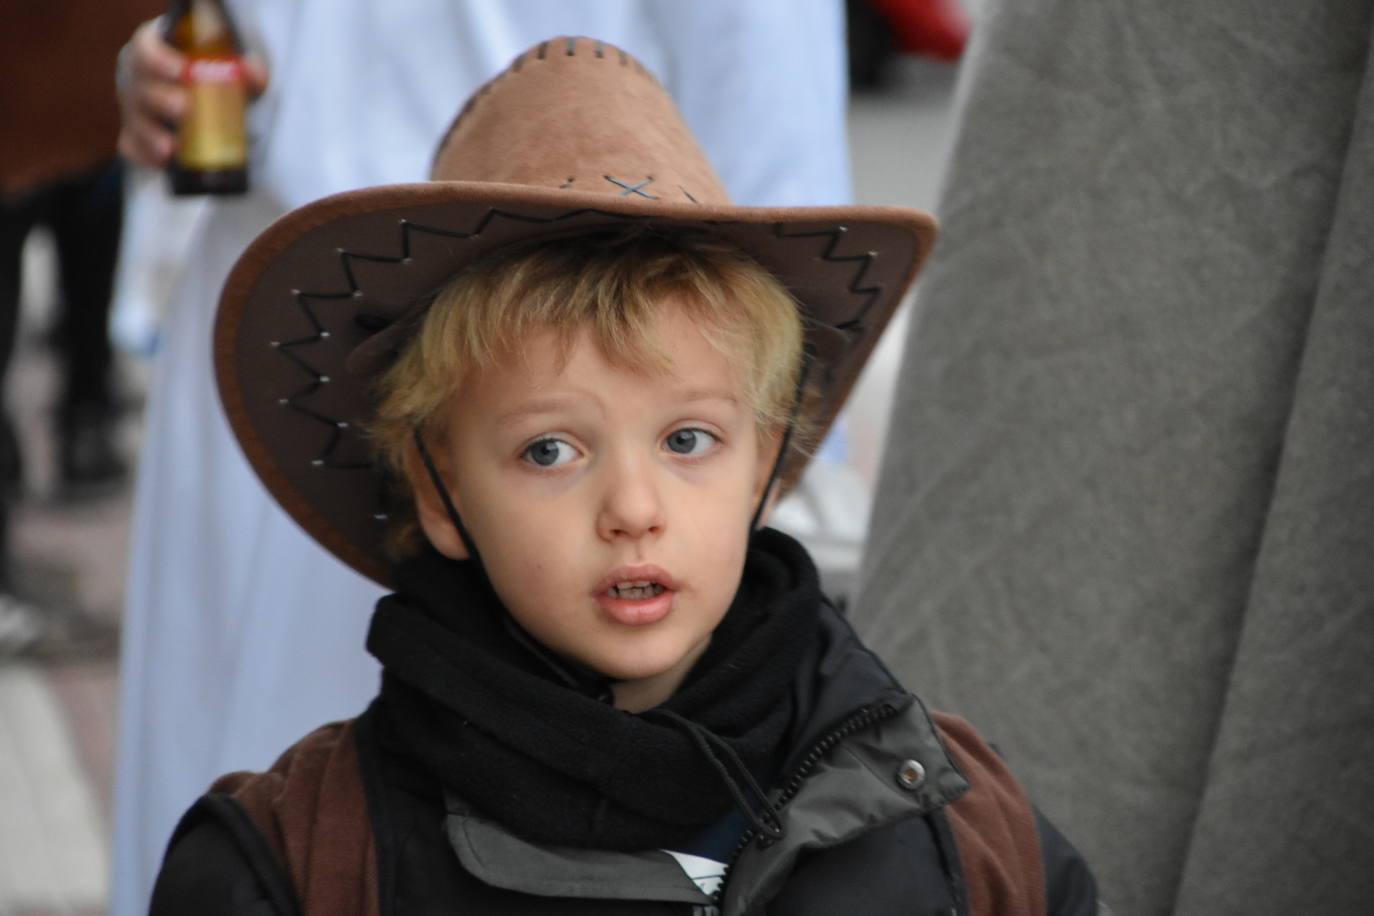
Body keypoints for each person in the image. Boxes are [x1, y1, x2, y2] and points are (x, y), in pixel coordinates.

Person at [147, 36, 1096, 914]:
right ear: (439, 492)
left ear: (766, 462)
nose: (634, 511)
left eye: (688, 441)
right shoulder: (293, 866)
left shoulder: (961, 828)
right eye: (549, 450)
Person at [109, 4, 852, 911]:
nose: (634, 506)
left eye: (694, 446)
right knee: (312, 818)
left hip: (637, 282)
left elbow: (768, 91)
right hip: (308, 305)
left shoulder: (916, 810)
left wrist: (753, 450)